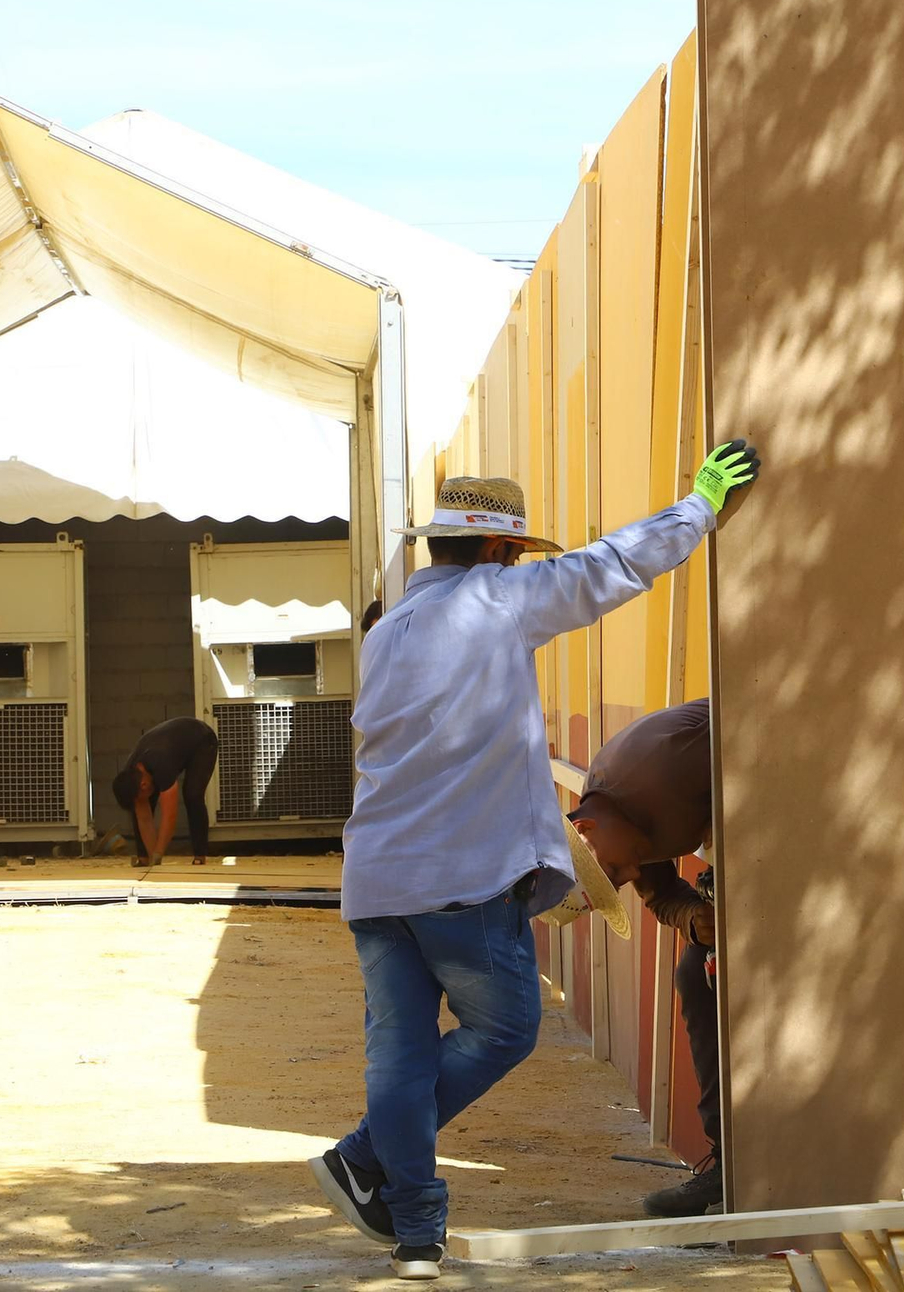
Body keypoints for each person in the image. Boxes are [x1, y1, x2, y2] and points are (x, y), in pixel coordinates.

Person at [308, 442, 761, 1281]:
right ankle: (367, 1159)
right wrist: (698, 507)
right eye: (514, 552)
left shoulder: (389, 630)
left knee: (400, 1054)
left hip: (375, 878)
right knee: (505, 1027)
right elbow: (612, 566)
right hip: (462, 879)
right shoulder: (498, 601)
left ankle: (415, 1233)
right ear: (499, 551)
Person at [567, 698, 724, 1217]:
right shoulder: (620, 832)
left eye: (611, 873)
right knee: (696, 976)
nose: (628, 878)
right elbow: (664, 899)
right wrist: (694, 918)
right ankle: (728, 1165)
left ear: (585, 831)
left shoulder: (660, 765)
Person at [110, 716, 218, 866]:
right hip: (170, 743)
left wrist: (158, 853)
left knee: (192, 795)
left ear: (143, 784)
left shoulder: (161, 764)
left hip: (202, 740)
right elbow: (143, 818)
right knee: (141, 805)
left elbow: (170, 816)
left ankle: (200, 855)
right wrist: (151, 857)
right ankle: (144, 858)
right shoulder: (131, 772)